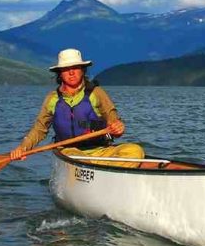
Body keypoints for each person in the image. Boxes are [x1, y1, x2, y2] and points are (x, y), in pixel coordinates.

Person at [10, 48, 145, 168]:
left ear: (82, 70)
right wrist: (23, 148)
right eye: (66, 69)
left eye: (75, 68)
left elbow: (114, 124)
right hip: (69, 151)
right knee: (75, 157)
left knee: (135, 150)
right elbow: (39, 129)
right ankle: (103, 171)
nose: (71, 73)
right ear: (60, 73)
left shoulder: (96, 93)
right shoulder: (52, 99)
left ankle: (108, 172)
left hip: (101, 151)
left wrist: (118, 128)